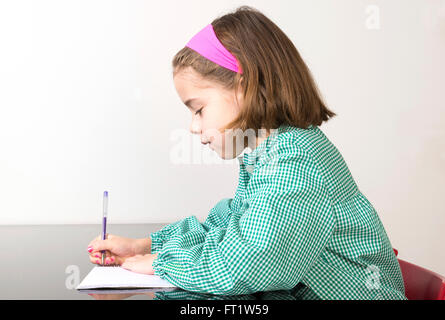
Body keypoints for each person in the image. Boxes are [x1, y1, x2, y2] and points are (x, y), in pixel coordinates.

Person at [87, 6, 406, 300]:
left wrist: (162, 263)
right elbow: (229, 228)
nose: (194, 128)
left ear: (244, 87)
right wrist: (145, 247)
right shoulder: (267, 153)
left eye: (198, 110)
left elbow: (247, 263)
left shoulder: (295, 163)